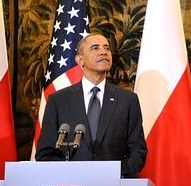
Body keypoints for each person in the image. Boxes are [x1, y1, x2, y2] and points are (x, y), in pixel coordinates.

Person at [36, 33, 147, 178]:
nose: (103, 52)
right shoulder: (58, 100)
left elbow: (138, 152)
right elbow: (45, 153)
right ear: (80, 60)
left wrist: (111, 172)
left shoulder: (128, 100)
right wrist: (73, 174)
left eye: (107, 48)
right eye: (95, 48)